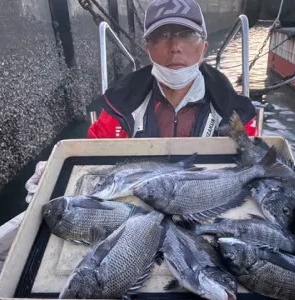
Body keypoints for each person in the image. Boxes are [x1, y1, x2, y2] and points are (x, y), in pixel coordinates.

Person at [25, 0, 258, 202]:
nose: (175, 47)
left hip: (205, 200)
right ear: (147, 49)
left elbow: (252, 164)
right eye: (162, 35)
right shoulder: (121, 108)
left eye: (187, 35)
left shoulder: (233, 112)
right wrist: (54, 173)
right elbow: (92, 159)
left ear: (204, 48)